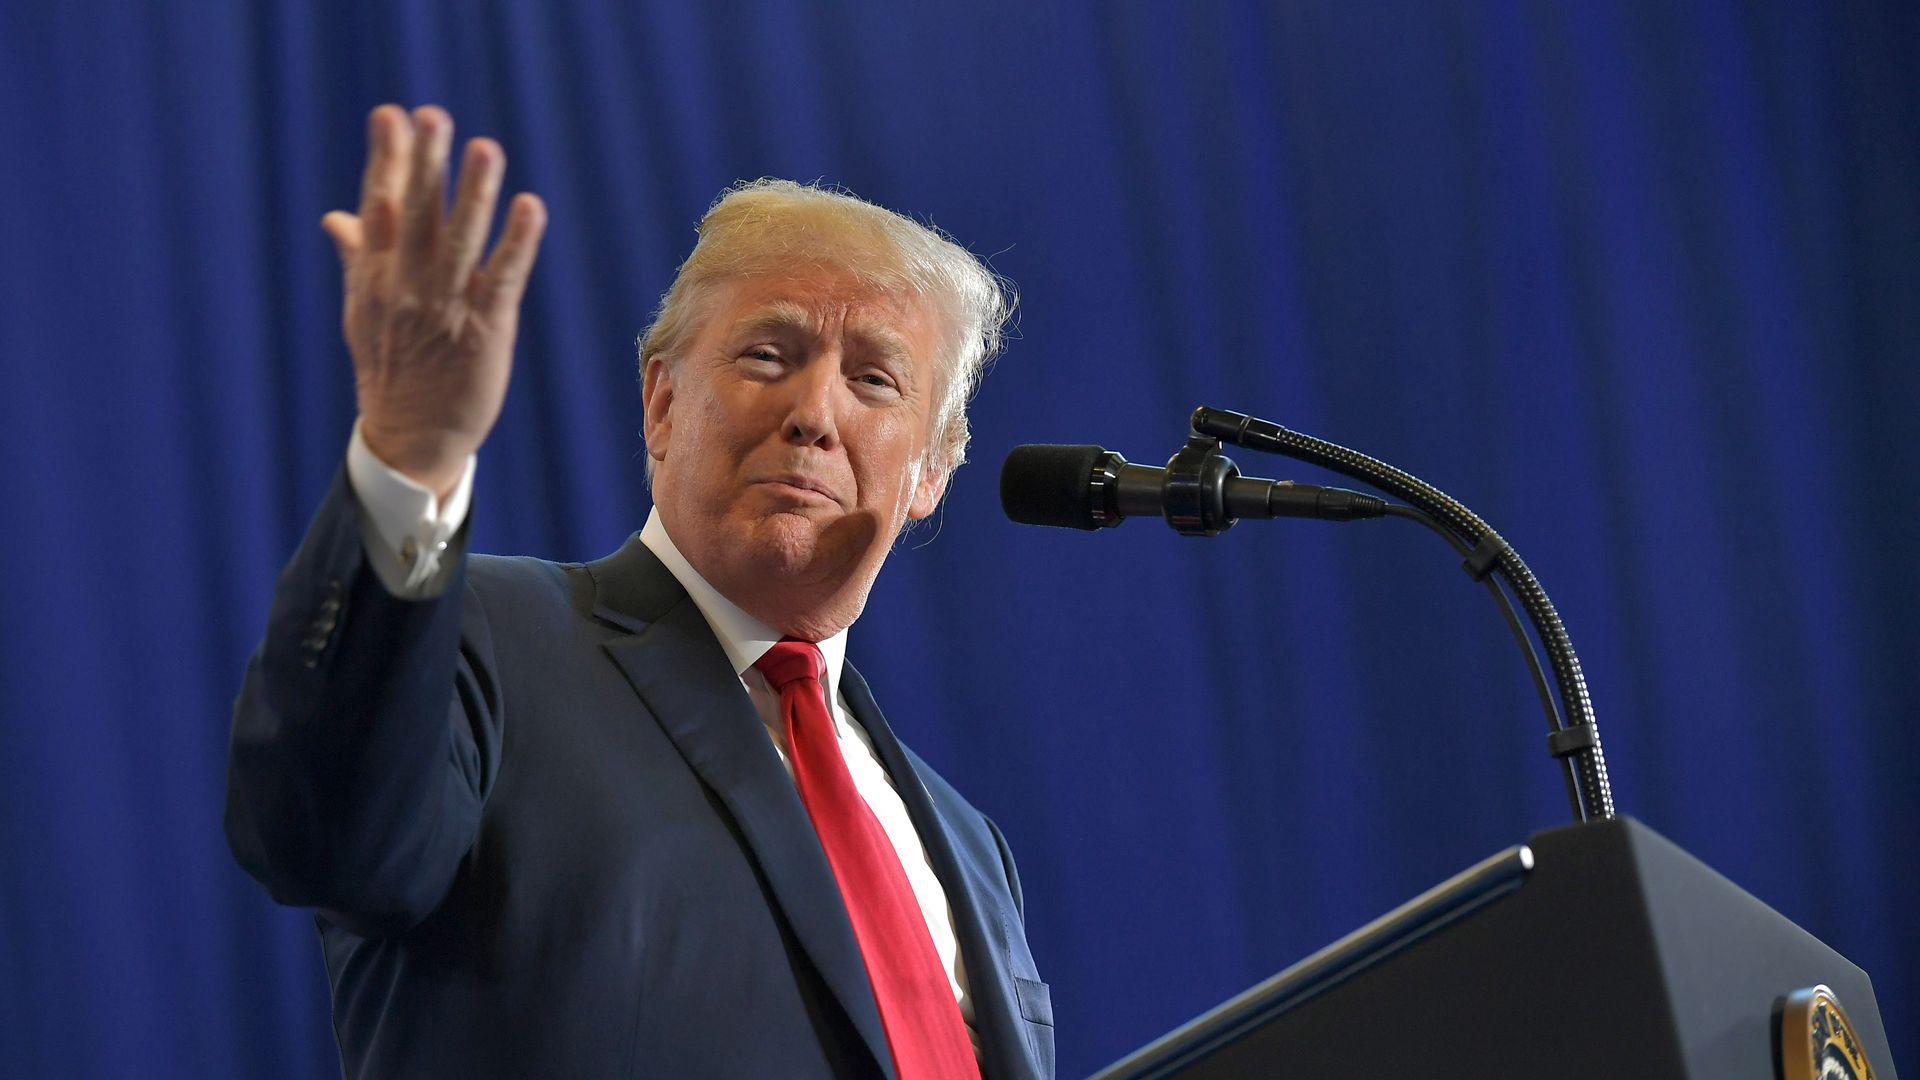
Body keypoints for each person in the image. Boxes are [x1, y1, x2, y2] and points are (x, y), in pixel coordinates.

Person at [225, 104, 1051, 1079]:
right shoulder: (485, 641)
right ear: (661, 403)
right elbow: (320, 837)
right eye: (768, 355)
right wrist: (411, 458)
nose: (814, 413)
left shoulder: (970, 847)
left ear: (932, 474)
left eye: (874, 381)